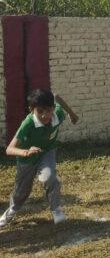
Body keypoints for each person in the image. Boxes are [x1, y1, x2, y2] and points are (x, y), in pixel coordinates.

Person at [0, 89, 79, 227]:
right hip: (27, 159)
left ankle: (56, 209)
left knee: (49, 178)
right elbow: (9, 149)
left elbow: (58, 100)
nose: (45, 115)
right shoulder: (28, 124)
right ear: (31, 110)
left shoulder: (57, 114)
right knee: (21, 191)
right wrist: (26, 152)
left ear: (53, 108)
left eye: (48, 110)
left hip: (47, 152)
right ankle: (12, 211)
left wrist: (72, 115)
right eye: (40, 111)